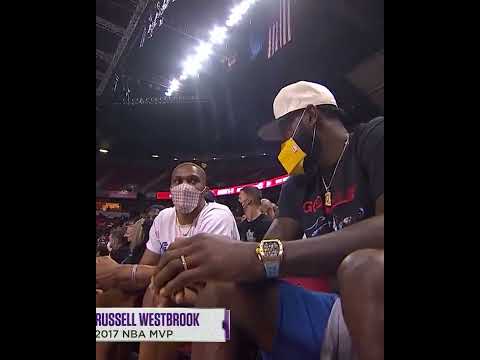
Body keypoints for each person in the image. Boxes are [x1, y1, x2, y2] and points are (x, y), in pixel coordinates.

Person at [150, 81, 384, 360]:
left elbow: (267, 255)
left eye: (285, 133)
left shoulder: (372, 138)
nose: (283, 146)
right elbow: (269, 250)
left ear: (310, 116)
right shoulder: (297, 184)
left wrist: (258, 257)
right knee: (219, 291)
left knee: (362, 267)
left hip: (373, 293)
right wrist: (226, 266)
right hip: (336, 310)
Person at [96, 162, 240, 360]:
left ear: (204, 190)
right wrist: (123, 277)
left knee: (160, 296)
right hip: (182, 296)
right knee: (109, 297)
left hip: (220, 312)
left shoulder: (218, 215)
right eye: (178, 181)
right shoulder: (164, 217)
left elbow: (201, 280)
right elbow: (145, 269)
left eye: (192, 181)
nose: (184, 186)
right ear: (171, 189)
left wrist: (122, 272)